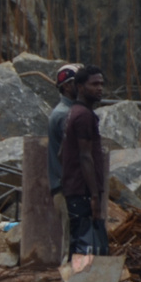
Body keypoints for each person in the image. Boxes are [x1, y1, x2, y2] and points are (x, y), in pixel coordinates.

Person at [60, 66, 109, 257]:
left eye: (101, 84)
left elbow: (61, 153)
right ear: (80, 87)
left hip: (75, 189)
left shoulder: (74, 112)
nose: (99, 88)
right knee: (84, 244)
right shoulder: (84, 116)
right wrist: (94, 196)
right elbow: (85, 156)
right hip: (82, 192)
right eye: (94, 84)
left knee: (79, 242)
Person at [46, 64, 84, 263]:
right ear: (68, 86)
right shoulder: (64, 115)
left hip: (68, 186)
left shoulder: (70, 112)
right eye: (79, 82)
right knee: (71, 243)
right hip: (66, 187)